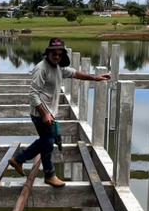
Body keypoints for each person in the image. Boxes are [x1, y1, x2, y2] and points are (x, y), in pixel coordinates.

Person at [10, 38, 110, 187]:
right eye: (54, 54)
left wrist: (95, 78)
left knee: (47, 142)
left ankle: (25, 163)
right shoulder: (41, 68)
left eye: (59, 54)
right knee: (48, 142)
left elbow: (75, 74)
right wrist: (44, 114)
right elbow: (33, 94)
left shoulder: (59, 67)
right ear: (48, 53)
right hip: (40, 114)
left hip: (49, 113)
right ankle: (41, 170)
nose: (56, 56)